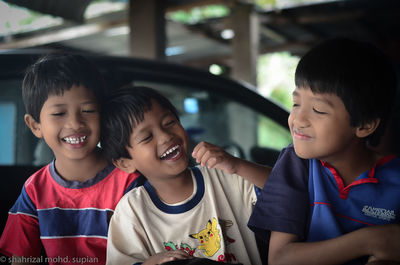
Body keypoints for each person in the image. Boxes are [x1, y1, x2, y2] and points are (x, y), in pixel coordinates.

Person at [247, 37, 400, 265]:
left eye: (318, 109)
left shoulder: (395, 178)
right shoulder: (297, 165)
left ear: (365, 125)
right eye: (296, 103)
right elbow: (280, 259)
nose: (298, 120)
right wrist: (368, 241)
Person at [100, 85, 271, 265]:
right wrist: (152, 262)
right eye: (147, 137)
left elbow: (283, 188)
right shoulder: (132, 211)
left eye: (169, 123)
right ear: (125, 163)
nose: (166, 137)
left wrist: (236, 164)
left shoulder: (223, 176)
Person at [0, 53, 143, 265]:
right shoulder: (34, 190)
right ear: (35, 125)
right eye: (59, 114)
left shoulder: (129, 182)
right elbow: (21, 258)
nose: (75, 123)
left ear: (103, 116)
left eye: (88, 110)